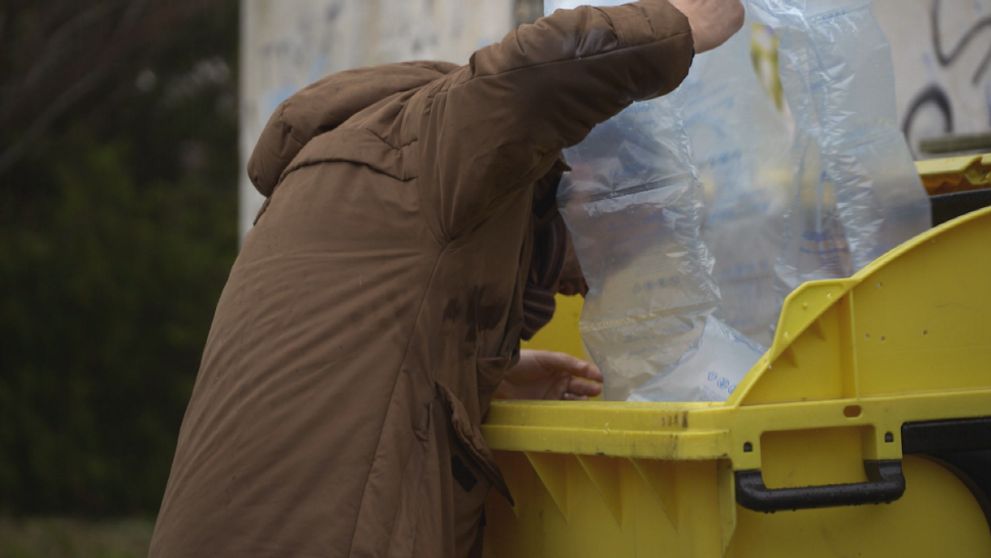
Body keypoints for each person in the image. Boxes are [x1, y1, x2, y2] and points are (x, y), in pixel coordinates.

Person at [149, 0, 743, 556]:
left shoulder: (368, 170)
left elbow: (346, 351)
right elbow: (537, 74)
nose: (584, 288)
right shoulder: (430, 148)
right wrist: (679, 24)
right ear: (589, 178)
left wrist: (470, 368)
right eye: (613, 251)